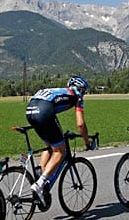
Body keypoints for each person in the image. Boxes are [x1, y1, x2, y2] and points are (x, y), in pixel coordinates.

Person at [27, 75, 94, 208]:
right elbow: (80, 124)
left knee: (51, 146)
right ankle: (40, 184)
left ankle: (41, 172)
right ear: (80, 89)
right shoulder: (77, 95)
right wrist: (87, 142)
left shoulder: (59, 91)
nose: (84, 94)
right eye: (84, 91)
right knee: (60, 151)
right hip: (45, 111)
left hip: (30, 109)